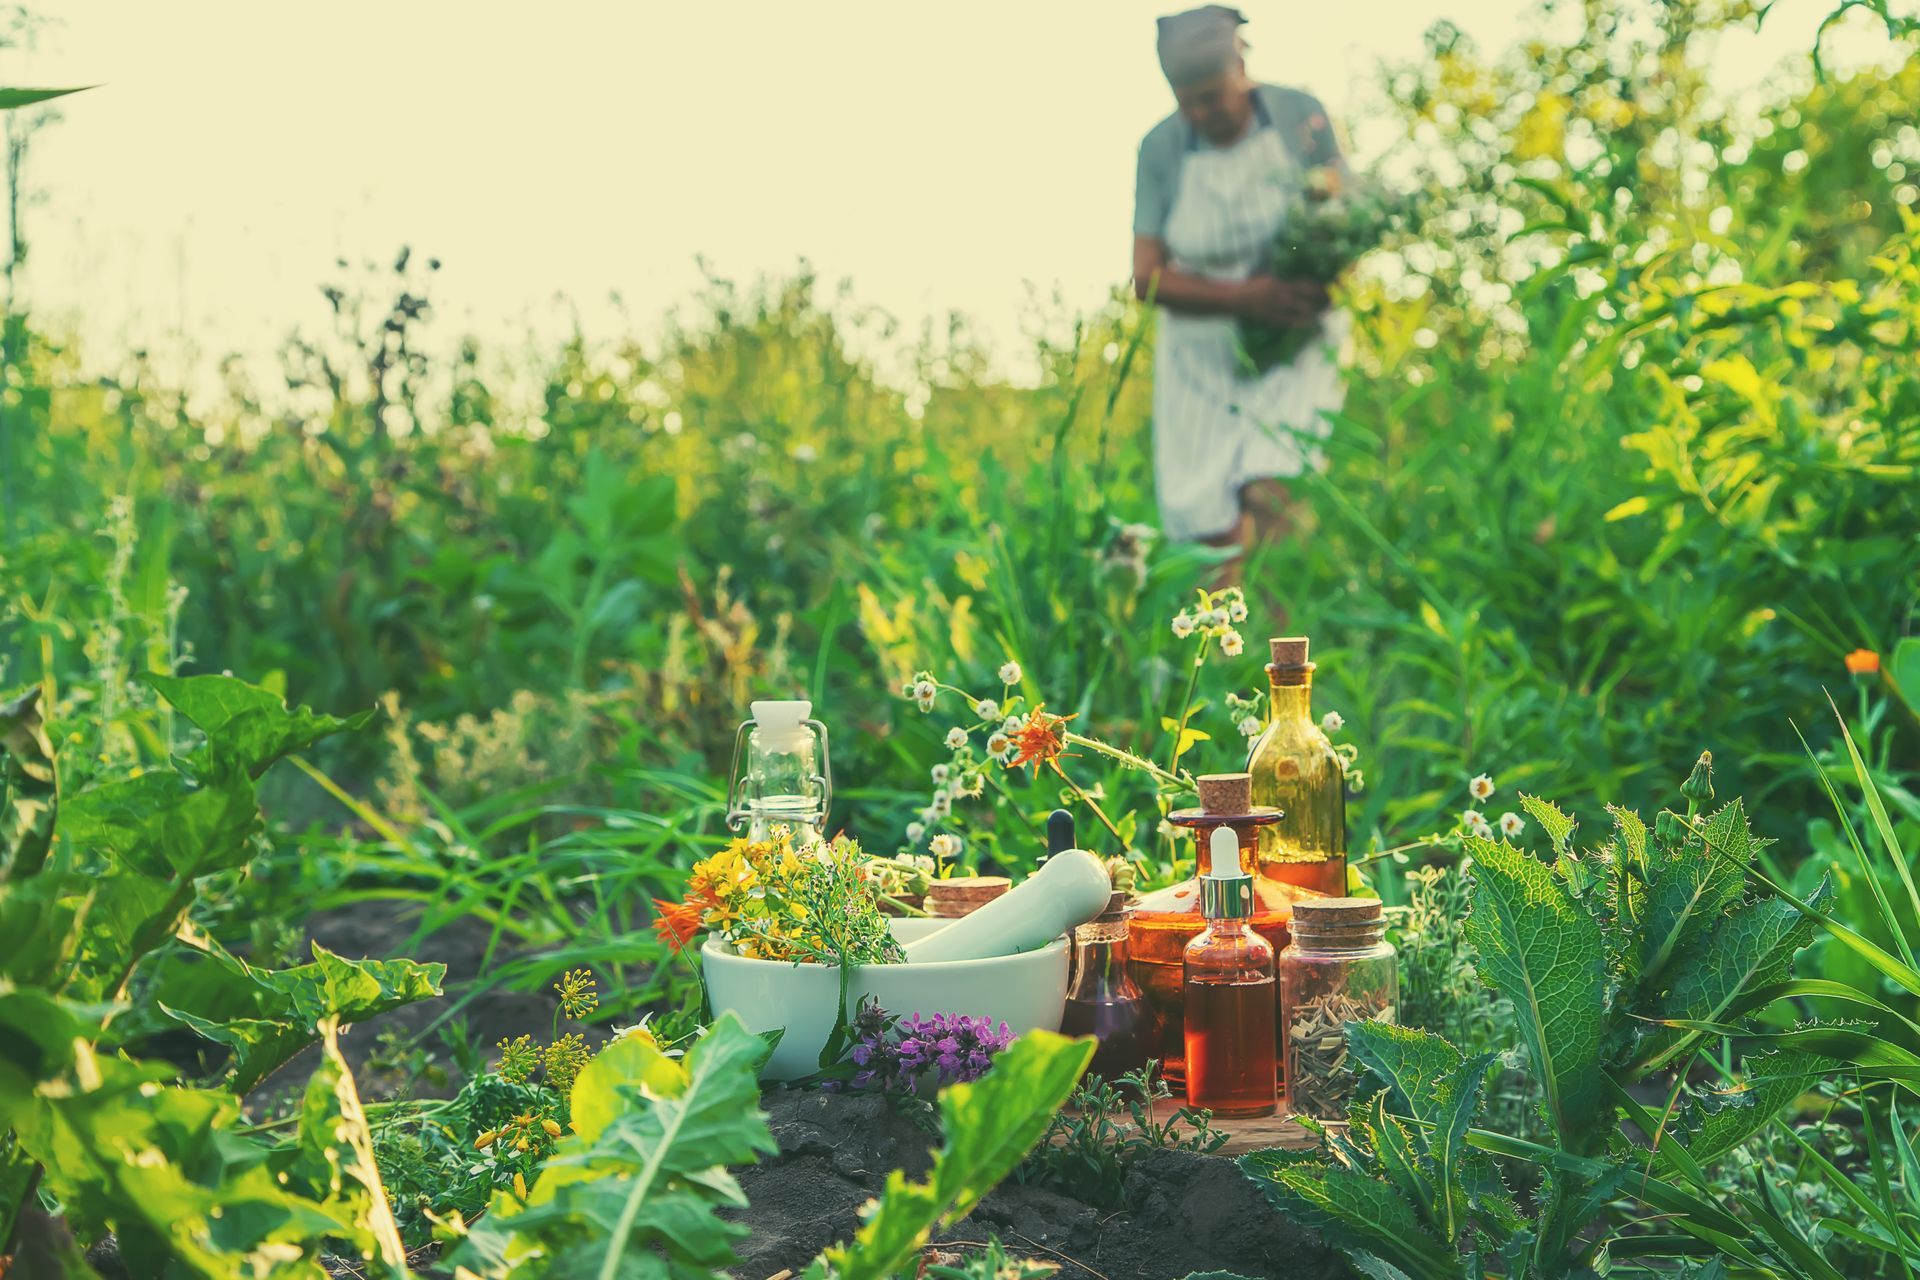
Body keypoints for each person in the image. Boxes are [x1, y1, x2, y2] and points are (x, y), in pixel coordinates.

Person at [1133, 5, 1352, 557]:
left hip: (1293, 341)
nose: (1204, 112)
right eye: (1190, 102)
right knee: (1210, 525)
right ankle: (1225, 640)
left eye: (1214, 95)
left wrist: (1314, 278)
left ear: (1241, 65)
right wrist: (1244, 298)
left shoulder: (1298, 114)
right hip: (1200, 356)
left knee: (1273, 488)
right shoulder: (1160, 149)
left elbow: (1344, 216)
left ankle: (1289, 643)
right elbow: (1147, 278)